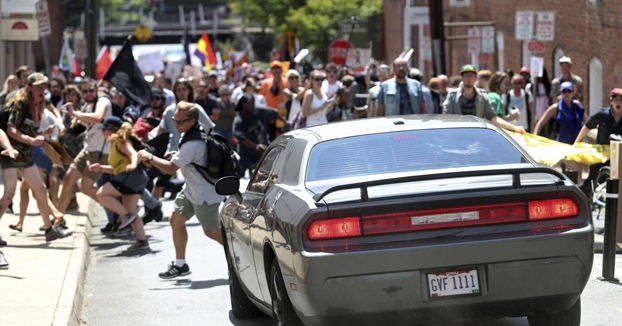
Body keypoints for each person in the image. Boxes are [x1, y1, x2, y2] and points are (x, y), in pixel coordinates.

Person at [137, 102, 224, 278]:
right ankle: (180, 265)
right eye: (174, 121)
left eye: (180, 122)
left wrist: (149, 156)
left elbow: (170, 168)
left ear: (192, 121)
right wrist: (175, 155)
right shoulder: (191, 135)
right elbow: (183, 159)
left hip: (203, 194)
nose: (176, 125)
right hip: (191, 189)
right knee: (176, 220)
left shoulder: (193, 142)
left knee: (212, 232)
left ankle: (240, 255)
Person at [0, 73, 70, 244]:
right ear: (29, 88)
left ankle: (48, 229)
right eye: (38, 86)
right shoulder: (20, 105)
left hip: (25, 154)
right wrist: (31, 140)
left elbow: (29, 129)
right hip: (11, 153)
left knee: (40, 188)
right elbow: (11, 130)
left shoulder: (38, 105)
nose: (42, 89)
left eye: (43, 86)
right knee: (9, 194)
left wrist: (42, 134)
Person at [56, 78, 113, 224]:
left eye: (91, 90)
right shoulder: (87, 106)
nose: (89, 93)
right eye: (85, 91)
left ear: (96, 90)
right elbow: (86, 123)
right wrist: (76, 117)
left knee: (85, 188)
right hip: (88, 149)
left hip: (101, 153)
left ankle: (119, 211)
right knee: (68, 180)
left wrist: (75, 114)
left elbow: (98, 118)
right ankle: (58, 221)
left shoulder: (103, 101)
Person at [89, 117, 150, 250]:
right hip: (134, 178)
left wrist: (133, 164)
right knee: (131, 211)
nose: (102, 132)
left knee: (101, 194)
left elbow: (133, 153)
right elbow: (117, 169)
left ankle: (125, 216)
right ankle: (142, 241)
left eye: (104, 129)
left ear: (111, 130)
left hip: (131, 176)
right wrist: (100, 168)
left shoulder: (120, 141)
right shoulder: (114, 144)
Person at [443, 65, 525, 133]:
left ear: (475, 78)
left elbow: (493, 118)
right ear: (462, 78)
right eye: (466, 75)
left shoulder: (482, 96)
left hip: (477, 137)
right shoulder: (452, 96)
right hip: (458, 136)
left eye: (471, 75)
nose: (469, 78)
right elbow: (447, 118)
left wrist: (514, 127)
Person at [574, 88, 622, 196]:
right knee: (592, 180)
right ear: (611, 101)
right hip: (601, 155)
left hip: (618, 155)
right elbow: (587, 126)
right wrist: (576, 142)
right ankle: (581, 198)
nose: (619, 102)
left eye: (621, 100)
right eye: (616, 99)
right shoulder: (602, 114)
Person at [534, 82, 586, 182]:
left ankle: (576, 190)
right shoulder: (555, 107)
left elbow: (587, 122)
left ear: (573, 92)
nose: (567, 93)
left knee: (578, 170)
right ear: (561, 93)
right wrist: (535, 137)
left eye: (569, 91)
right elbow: (541, 123)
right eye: (564, 91)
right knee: (576, 168)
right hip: (560, 144)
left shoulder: (577, 106)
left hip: (576, 143)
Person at [233, 94, 280, 174]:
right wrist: (256, 146)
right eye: (248, 104)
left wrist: (285, 122)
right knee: (238, 172)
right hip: (246, 151)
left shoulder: (262, 111)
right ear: (243, 104)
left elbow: (276, 114)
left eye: (252, 103)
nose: (251, 106)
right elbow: (242, 138)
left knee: (276, 170)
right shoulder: (239, 120)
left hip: (263, 150)